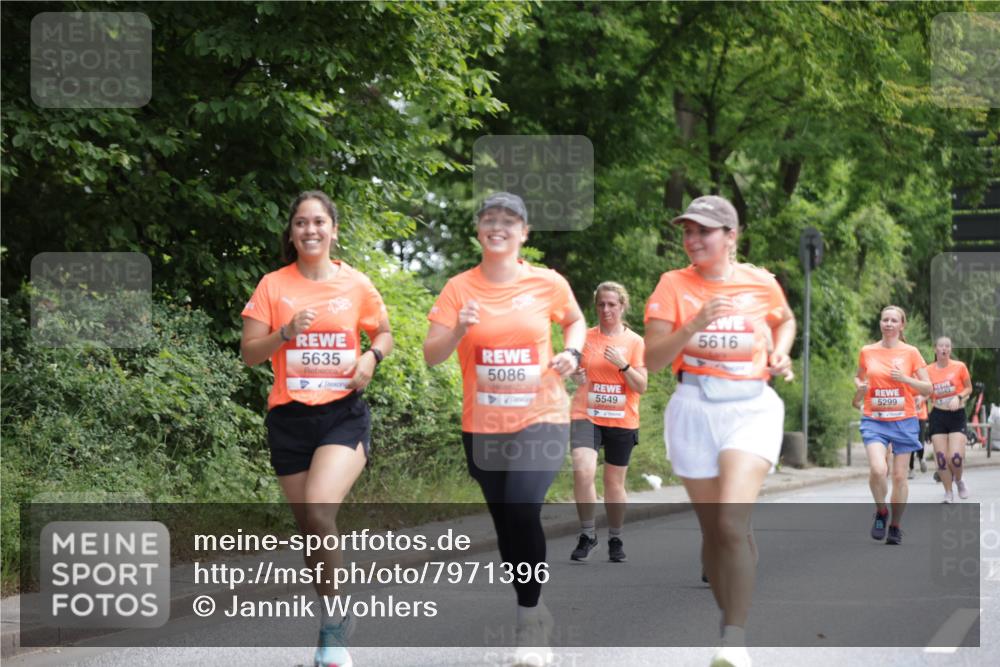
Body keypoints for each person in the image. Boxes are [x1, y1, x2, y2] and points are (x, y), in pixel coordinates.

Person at [423, 192, 585, 667]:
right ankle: (531, 604)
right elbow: (432, 355)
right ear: (478, 230)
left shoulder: (547, 283)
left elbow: (574, 321)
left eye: (509, 220)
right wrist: (457, 330)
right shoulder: (458, 289)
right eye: (489, 219)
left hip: (542, 416)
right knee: (508, 526)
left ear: (524, 232)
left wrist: (572, 354)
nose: (498, 226)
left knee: (521, 505)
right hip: (483, 425)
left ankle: (529, 623)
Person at [241, 190, 393, 667]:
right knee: (310, 529)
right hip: (289, 419)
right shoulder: (273, 285)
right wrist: (285, 332)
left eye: (319, 222)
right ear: (291, 232)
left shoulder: (356, 284)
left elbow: (384, 332)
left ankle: (332, 633)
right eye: (302, 223)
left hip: (342, 415)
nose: (310, 230)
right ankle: (333, 614)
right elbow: (249, 354)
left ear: (333, 229)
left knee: (319, 512)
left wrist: (372, 356)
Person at [644, 195, 795, 667]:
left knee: (731, 522)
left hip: (751, 406)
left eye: (703, 231)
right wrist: (695, 322)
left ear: (731, 236)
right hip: (693, 407)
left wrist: (781, 352)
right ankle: (729, 618)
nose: (692, 240)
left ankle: (734, 639)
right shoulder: (672, 284)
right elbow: (651, 360)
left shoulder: (760, 282)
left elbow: (785, 320)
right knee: (714, 535)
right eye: (687, 231)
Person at [568, 282, 647, 563]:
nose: (606, 309)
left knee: (614, 483)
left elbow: (641, 386)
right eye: (601, 304)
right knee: (583, 470)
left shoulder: (635, 342)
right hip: (586, 415)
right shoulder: (585, 338)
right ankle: (588, 534)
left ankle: (615, 537)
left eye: (612, 304)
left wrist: (623, 365)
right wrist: (575, 375)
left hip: (621, 418)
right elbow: (573, 371)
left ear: (622, 306)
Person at [854, 305, 931, 546]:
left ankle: (895, 526)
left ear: (901, 326)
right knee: (878, 470)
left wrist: (905, 379)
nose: (888, 324)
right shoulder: (868, 351)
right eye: (885, 320)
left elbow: (927, 387)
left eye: (893, 320)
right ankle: (881, 511)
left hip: (904, 420)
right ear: (880, 324)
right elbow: (859, 376)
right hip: (875, 419)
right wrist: (860, 386)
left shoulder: (911, 352)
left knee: (899, 477)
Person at [926, 336, 973, 502]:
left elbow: (969, 387)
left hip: (956, 415)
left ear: (950, 350)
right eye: (941, 346)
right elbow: (925, 391)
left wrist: (959, 397)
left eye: (947, 346)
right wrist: (920, 398)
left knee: (955, 458)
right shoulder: (928, 370)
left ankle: (959, 480)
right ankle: (948, 492)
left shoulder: (959, 367)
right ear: (935, 349)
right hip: (938, 415)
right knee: (941, 458)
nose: (944, 349)